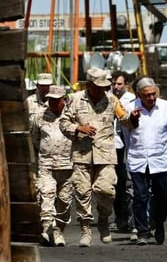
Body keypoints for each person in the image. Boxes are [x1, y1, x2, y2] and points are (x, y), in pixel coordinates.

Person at [59, 68, 140, 247]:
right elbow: (63, 123)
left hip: (105, 155)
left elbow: (125, 119)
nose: (102, 90)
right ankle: (86, 230)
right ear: (89, 85)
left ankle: (103, 219)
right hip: (82, 154)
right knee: (82, 193)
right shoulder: (75, 99)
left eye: (104, 87)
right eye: (98, 87)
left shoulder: (112, 99)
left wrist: (133, 119)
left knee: (107, 191)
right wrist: (78, 128)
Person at [125, 77, 167, 246]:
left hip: (160, 159)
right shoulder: (129, 108)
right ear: (139, 94)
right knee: (140, 196)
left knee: (163, 196)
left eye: (154, 94)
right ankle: (142, 231)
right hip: (138, 159)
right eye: (147, 95)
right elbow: (126, 135)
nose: (151, 98)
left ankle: (158, 222)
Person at [32, 85, 73, 247]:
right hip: (46, 165)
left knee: (64, 201)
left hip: (68, 166)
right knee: (46, 197)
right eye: (50, 100)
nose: (53, 103)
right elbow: (35, 138)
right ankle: (47, 229)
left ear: (64, 100)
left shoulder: (72, 116)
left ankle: (58, 232)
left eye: (57, 100)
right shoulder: (40, 116)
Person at [110, 70, 136, 232]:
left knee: (128, 184)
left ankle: (131, 217)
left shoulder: (131, 100)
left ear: (125, 84)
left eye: (119, 84)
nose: (116, 87)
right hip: (112, 146)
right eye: (114, 84)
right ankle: (120, 217)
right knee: (115, 184)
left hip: (127, 146)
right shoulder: (107, 98)